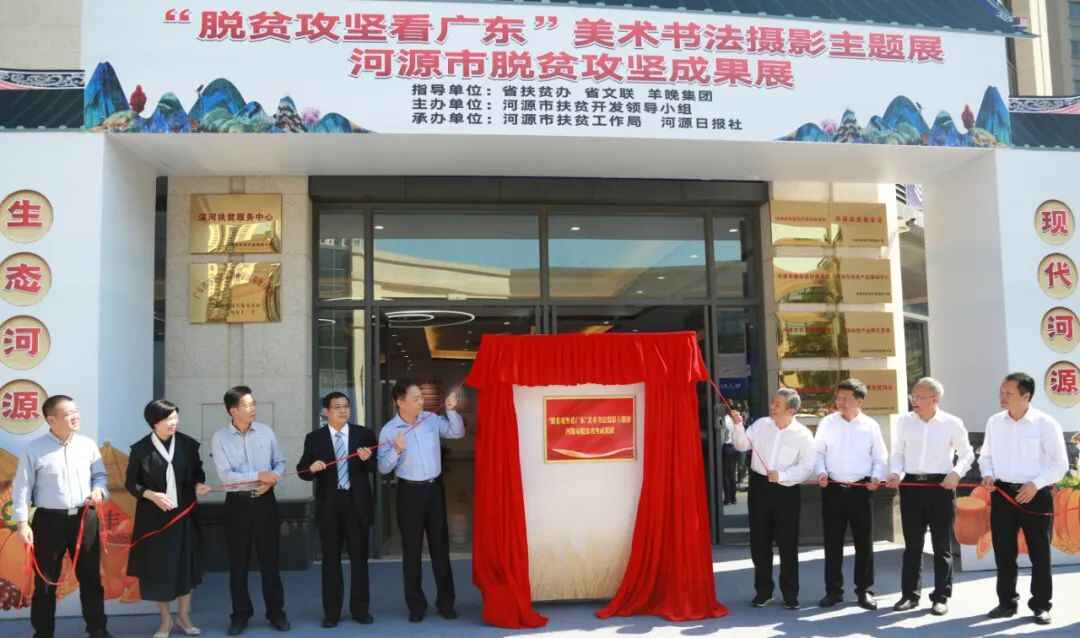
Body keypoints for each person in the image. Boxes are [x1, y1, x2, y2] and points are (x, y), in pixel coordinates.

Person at [12, 395, 111, 638]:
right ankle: (43, 632)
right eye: (68, 414)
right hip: (48, 522)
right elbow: (22, 487)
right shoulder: (34, 449)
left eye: (76, 411)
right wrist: (22, 523)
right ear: (51, 420)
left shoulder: (87, 445)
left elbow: (99, 476)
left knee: (90, 578)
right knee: (46, 581)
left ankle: (97, 629)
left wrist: (99, 490)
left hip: (84, 519)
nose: (75, 417)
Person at [979, 372, 1068, 626]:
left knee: (1040, 553)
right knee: (1004, 552)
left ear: (1026, 396)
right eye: (1002, 391)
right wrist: (988, 474)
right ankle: (1006, 602)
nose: (1002, 396)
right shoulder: (994, 422)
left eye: (1009, 393)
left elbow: (1060, 464)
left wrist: (1035, 484)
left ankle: (1041, 605)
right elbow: (986, 456)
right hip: (1003, 494)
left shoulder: (1046, 423)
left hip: (1035, 495)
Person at [377, 379, 465, 623]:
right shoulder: (389, 430)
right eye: (415, 398)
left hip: (434, 490)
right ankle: (416, 606)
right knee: (412, 551)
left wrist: (451, 410)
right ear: (400, 401)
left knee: (440, 548)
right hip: (409, 493)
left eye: (421, 397)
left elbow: (457, 432)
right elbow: (382, 468)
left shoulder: (431, 419)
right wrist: (396, 450)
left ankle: (446, 603)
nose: (421, 402)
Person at [886, 378, 974, 616]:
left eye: (919, 397)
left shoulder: (951, 423)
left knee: (941, 545)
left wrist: (956, 473)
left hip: (941, 486)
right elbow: (898, 453)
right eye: (913, 396)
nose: (914, 401)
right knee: (912, 545)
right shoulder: (904, 421)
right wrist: (895, 472)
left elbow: (967, 453)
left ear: (935, 399)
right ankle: (909, 595)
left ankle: (941, 597)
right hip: (911, 486)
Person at [126, 399, 212, 637]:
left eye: (175, 417)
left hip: (184, 516)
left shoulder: (187, 445)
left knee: (186, 566)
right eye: (167, 419)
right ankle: (165, 620)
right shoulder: (141, 449)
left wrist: (199, 484)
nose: (173, 422)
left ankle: (184, 617)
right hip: (154, 520)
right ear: (154, 422)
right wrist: (151, 495)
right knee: (158, 570)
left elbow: (198, 473)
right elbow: (131, 484)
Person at [211, 386, 289, 635]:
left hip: (266, 503)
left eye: (253, 403)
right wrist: (259, 476)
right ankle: (240, 615)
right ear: (233, 410)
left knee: (270, 562)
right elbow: (226, 477)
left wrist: (272, 479)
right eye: (247, 405)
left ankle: (276, 612)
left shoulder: (266, 432)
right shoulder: (220, 438)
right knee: (238, 564)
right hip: (237, 505)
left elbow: (280, 463)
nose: (253, 408)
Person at [730, 388, 816, 610]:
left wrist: (783, 475)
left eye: (777, 404)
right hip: (759, 487)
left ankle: (790, 594)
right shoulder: (761, 425)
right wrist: (738, 426)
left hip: (787, 490)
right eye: (773, 402)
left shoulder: (803, 435)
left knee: (788, 544)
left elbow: (807, 467)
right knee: (759, 542)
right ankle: (763, 591)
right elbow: (742, 445)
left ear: (791, 410)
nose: (772, 407)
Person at [297, 392, 377, 628]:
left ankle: (360, 610)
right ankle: (331, 613)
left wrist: (367, 459)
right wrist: (311, 468)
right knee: (330, 562)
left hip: (357, 505)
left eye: (346, 406)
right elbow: (302, 470)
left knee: (359, 561)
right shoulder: (315, 438)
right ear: (326, 412)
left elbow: (376, 467)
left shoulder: (364, 434)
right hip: (329, 507)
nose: (343, 410)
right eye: (337, 407)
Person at [814, 378, 888, 610]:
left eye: (846, 398)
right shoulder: (827, 423)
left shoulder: (870, 426)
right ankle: (833, 591)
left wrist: (877, 477)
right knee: (832, 542)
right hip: (833, 488)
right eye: (838, 398)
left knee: (863, 542)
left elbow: (880, 457)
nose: (840, 402)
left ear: (859, 401)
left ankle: (864, 591)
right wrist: (821, 472)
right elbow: (818, 453)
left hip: (861, 489)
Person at [717, 409, 738, 505]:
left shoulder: (723, 420)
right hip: (733, 447)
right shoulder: (732, 420)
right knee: (732, 474)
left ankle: (727, 498)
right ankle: (733, 497)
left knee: (725, 475)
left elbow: (721, 436)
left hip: (726, 447)